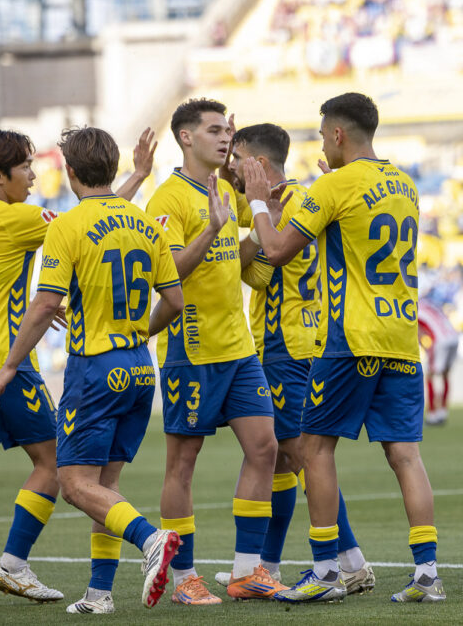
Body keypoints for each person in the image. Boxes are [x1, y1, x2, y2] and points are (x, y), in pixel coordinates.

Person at [0, 128, 153, 606]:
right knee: (56, 462)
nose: (33, 177)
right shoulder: (18, 218)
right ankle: (14, 564)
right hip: (2, 360)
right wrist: (136, 177)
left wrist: (36, 306)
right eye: (24, 167)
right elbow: (94, 220)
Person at [244, 92, 446, 603]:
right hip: (401, 337)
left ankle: (327, 571)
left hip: (349, 339)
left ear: (337, 134)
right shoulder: (404, 183)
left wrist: (258, 201)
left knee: (314, 448)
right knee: (405, 454)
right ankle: (427, 574)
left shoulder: (334, 185)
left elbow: (275, 250)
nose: (321, 146)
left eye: (322, 136)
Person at [0, 126, 186, 611]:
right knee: (105, 486)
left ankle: (151, 539)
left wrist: (10, 366)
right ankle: (99, 594)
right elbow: (175, 301)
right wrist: (137, 334)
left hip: (94, 370)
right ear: (113, 168)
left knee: (75, 485)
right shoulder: (144, 223)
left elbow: (44, 305)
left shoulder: (67, 226)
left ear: (71, 171)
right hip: (139, 369)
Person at [218, 122, 375, 593]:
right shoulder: (308, 196)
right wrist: (227, 165)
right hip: (315, 338)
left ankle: (350, 559)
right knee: (284, 461)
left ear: (260, 164)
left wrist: (239, 248)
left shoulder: (276, 210)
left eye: (239, 159)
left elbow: (259, 271)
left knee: (301, 456)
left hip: (283, 345)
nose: (234, 167)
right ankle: (266, 564)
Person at [145, 99, 285, 604]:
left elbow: (247, 243)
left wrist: (267, 202)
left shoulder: (225, 189)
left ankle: (247, 571)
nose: (225, 137)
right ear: (186, 137)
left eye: (227, 130)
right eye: (214, 130)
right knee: (183, 464)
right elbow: (166, 274)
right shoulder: (167, 199)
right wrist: (210, 228)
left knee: (265, 448)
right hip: (191, 351)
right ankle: (183, 578)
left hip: (238, 350)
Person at [417, 299, 459, 426]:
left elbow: (418, 332)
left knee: (430, 375)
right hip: (453, 337)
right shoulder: (428, 304)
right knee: (445, 374)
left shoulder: (413, 309)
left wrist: (425, 348)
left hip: (440, 340)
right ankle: (443, 411)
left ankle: (432, 414)